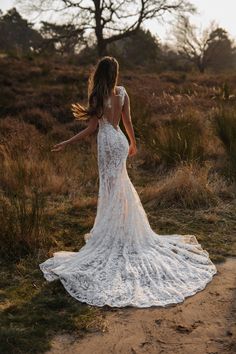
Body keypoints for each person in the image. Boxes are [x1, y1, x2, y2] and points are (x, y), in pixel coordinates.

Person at [39, 56, 217, 308]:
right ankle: (122, 229)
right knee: (120, 186)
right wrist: (133, 142)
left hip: (106, 143)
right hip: (119, 141)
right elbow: (128, 122)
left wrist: (68, 142)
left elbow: (92, 129)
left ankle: (116, 232)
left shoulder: (97, 96)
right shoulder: (122, 92)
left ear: (99, 73)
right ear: (115, 74)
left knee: (112, 188)